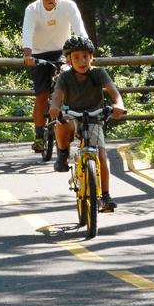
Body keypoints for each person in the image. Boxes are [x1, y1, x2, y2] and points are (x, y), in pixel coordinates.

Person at [50, 36, 125, 212]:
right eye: (76, 57)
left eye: (85, 56)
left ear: (91, 57)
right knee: (61, 124)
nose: (81, 61)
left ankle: (105, 196)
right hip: (73, 115)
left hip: (94, 117)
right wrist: (54, 106)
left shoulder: (98, 73)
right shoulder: (64, 77)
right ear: (69, 60)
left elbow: (114, 92)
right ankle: (62, 154)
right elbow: (58, 95)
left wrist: (118, 104)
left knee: (101, 155)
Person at [22, 0, 88, 152]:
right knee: (42, 95)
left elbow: (80, 30)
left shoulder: (68, 6)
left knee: (69, 83)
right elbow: (27, 33)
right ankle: (38, 136)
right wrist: (28, 54)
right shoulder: (32, 9)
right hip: (39, 53)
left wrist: (87, 52)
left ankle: (75, 124)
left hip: (62, 51)